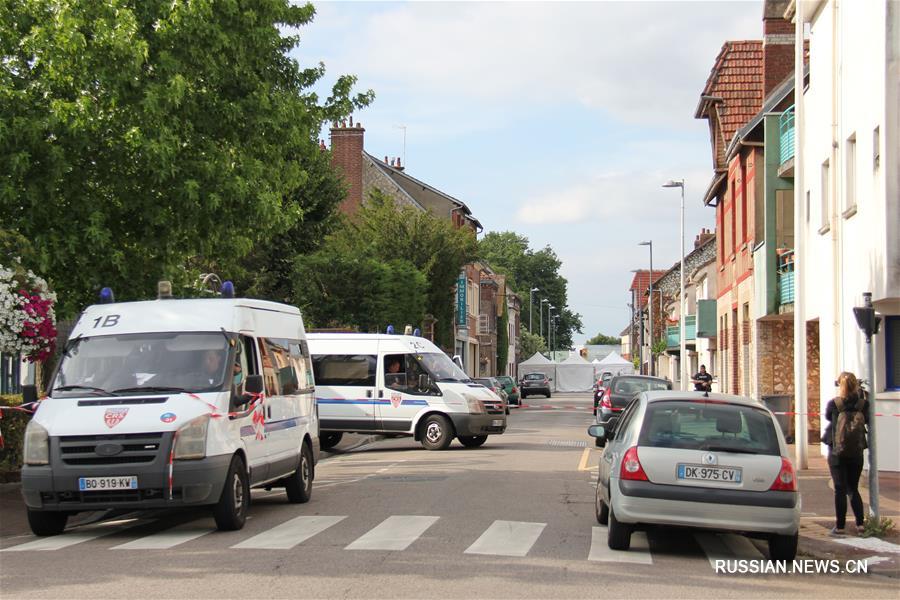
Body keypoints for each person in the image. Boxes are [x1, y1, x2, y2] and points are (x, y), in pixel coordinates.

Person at [825, 371, 869, 536]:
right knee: (853, 489)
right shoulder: (863, 405)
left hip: (837, 452)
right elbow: (868, 421)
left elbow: (830, 419)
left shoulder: (834, 404)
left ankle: (840, 526)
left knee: (840, 489)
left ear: (840, 385)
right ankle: (860, 524)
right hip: (856, 452)